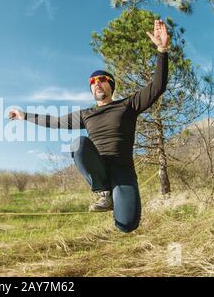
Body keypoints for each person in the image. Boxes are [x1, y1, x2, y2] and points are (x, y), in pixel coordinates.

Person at [9, 20, 169, 233]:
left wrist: (162, 50)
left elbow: (157, 86)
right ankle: (104, 192)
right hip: (100, 169)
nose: (96, 84)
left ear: (110, 84)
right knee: (78, 144)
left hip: (123, 171)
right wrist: (24, 116)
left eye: (101, 79)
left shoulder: (128, 105)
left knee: (127, 226)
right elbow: (54, 122)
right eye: (92, 82)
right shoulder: (87, 115)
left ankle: (116, 199)